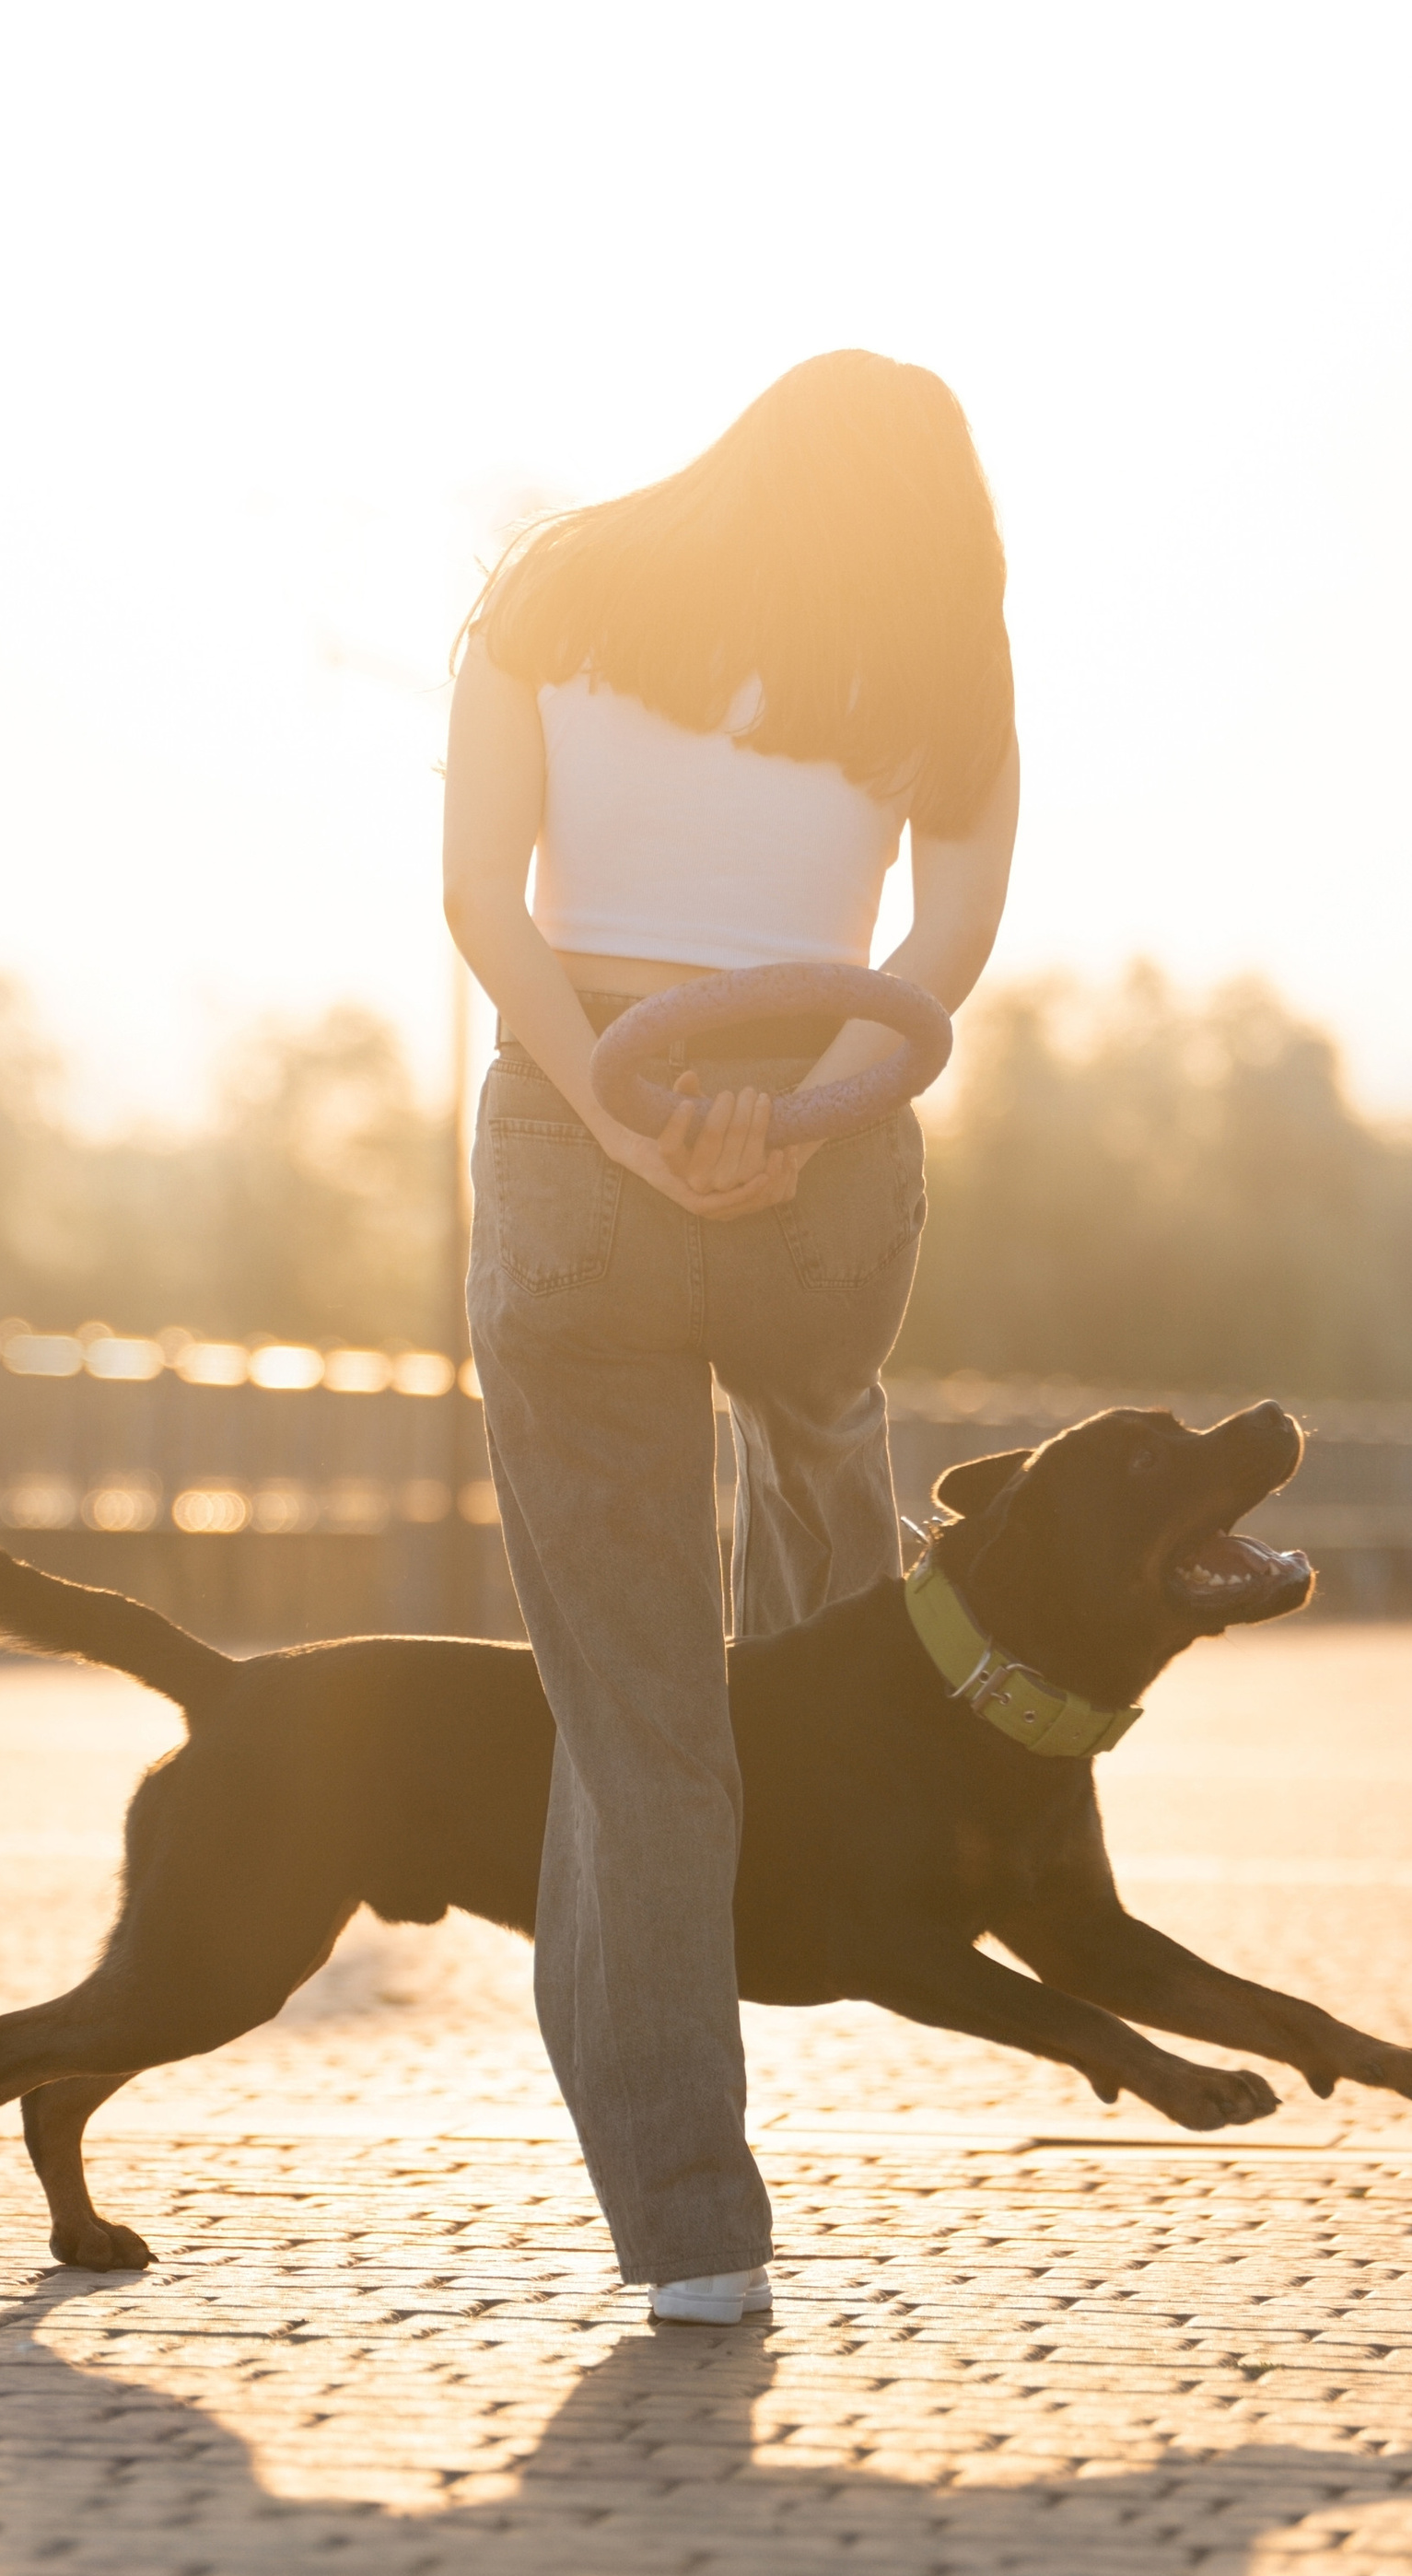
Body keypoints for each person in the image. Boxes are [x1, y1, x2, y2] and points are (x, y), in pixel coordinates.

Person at [442, 349, 1019, 2324]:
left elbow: (479, 903)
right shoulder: (940, 649)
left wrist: (617, 1114)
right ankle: (835, 1595)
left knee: (632, 1721)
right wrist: (794, 1119)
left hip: (575, 1112)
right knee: (818, 1404)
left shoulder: (557, 582)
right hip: (817, 1136)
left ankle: (691, 2238)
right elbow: (939, 952)